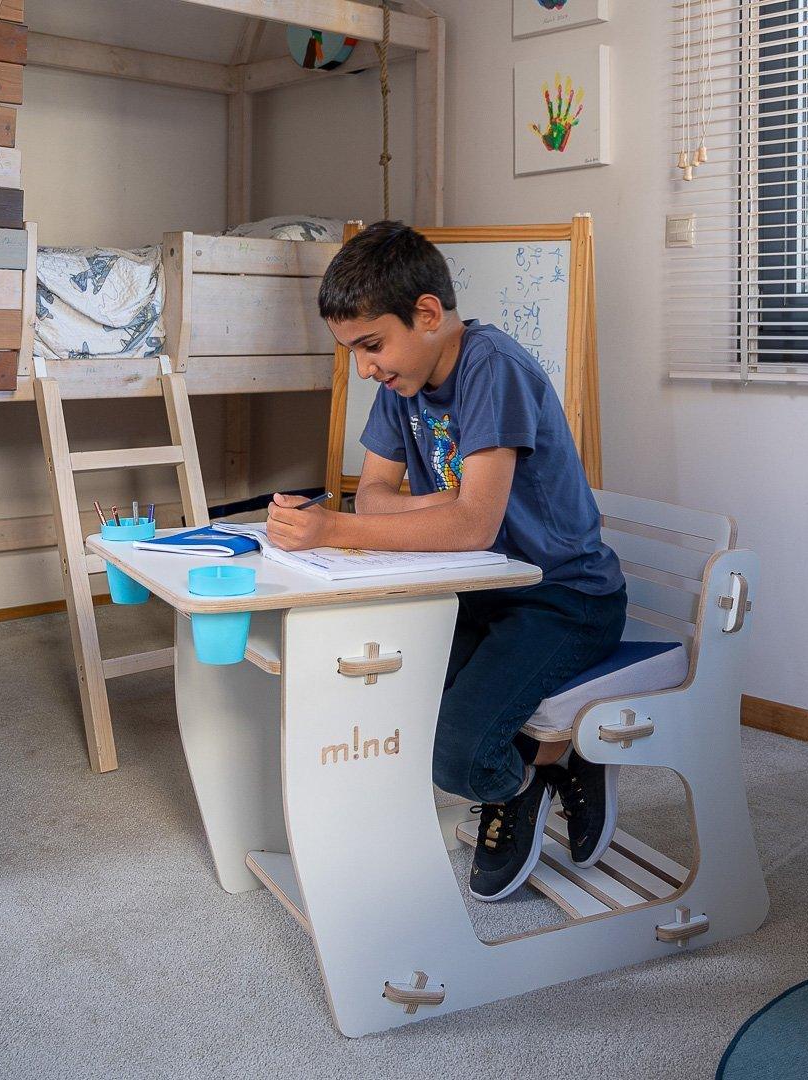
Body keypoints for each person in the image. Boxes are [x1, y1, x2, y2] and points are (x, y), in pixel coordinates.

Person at [267, 221, 627, 901]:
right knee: (399, 704)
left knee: (457, 757)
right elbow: (374, 499)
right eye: (353, 352)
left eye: (372, 345)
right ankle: (545, 762)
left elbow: (470, 524)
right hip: (476, 589)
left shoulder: (494, 366)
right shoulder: (401, 385)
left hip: (565, 599)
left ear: (427, 314)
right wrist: (441, 509)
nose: (366, 366)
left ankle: (546, 765)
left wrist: (337, 527)